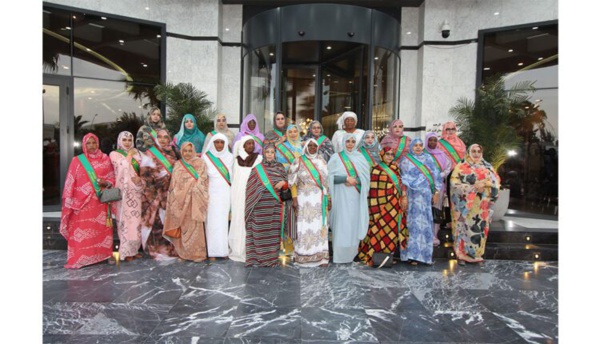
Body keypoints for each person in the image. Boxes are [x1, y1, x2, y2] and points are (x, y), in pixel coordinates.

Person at [60, 133, 116, 269]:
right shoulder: (77, 160)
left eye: (94, 143)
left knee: (102, 229)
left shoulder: (105, 159)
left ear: (98, 144)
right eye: (88, 143)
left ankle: (104, 254)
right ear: (84, 145)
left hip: (100, 201)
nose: (92, 146)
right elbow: (70, 181)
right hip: (82, 203)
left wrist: (106, 182)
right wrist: (69, 199)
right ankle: (81, 258)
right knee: (82, 231)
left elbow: (112, 178)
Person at [449, 144, 500, 266]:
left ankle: (476, 255)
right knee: (463, 228)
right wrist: (472, 188)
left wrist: (485, 186)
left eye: (478, 151)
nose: (476, 154)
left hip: (481, 206)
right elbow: (454, 183)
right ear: (469, 152)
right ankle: (461, 254)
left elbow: (496, 183)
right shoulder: (461, 166)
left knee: (479, 230)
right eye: (474, 151)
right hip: (464, 207)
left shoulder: (488, 167)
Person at [357, 147, 407, 266]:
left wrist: (403, 197)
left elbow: (401, 185)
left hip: (394, 206)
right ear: (382, 155)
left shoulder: (396, 168)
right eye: (387, 154)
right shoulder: (375, 169)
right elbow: (373, 190)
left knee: (391, 231)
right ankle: (375, 256)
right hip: (379, 207)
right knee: (378, 230)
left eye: (391, 154)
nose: (389, 156)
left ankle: (388, 256)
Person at [327, 133, 371, 263]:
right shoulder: (336, 157)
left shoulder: (361, 158)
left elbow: (366, 178)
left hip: (356, 196)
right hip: (340, 196)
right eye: (348, 141)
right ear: (343, 143)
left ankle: (352, 253)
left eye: (353, 141)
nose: (350, 144)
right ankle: (339, 255)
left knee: (353, 222)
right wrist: (344, 178)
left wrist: (355, 181)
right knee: (342, 223)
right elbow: (328, 178)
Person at [244, 143, 290, 267]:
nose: (269, 154)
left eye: (272, 152)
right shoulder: (257, 169)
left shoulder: (280, 168)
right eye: (267, 152)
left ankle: (271, 259)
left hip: (275, 207)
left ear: (275, 154)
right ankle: (259, 259)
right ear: (264, 153)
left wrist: (283, 183)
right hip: (259, 207)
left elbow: (287, 187)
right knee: (260, 233)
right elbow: (249, 188)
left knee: (272, 234)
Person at [163, 142, 209, 262]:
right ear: (181, 152)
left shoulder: (200, 163)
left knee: (196, 227)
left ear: (193, 151)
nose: (187, 154)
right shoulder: (178, 164)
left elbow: (203, 179)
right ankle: (184, 254)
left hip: (195, 200)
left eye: (190, 151)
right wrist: (185, 189)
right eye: (185, 151)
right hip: (181, 202)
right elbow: (174, 183)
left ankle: (197, 254)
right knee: (183, 228)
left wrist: (193, 188)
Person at [399, 138, 442, 265]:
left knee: (425, 224)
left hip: (426, 196)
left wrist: (436, 192)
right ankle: (412, 255)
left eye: (420, 145)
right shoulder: (406, 160)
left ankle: (424, 255)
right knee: (412, 225)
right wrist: (404, 196)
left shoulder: (429, 159)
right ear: (411, 147)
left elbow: (436, 176)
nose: (418, 147)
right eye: (415, 145)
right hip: (412, 197)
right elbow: (403, 179)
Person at [288, 139, 330, 267]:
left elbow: (326, 182)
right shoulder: (298, 161)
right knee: (304, 227)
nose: (312, 148)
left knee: (319, 226)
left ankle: (320, 257)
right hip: (303, 199)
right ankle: (303, 256)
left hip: (319, 200)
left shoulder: (322, 161)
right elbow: (292, 182)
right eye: (309, 146)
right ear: (305, 147)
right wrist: (294, 199)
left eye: (314, 146)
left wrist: (328, 198)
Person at [140, 129, 179, 260]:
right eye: (160, 137)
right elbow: (145, 174)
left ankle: (170, 248)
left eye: (165, 137)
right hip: (154, 195)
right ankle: (157, 250)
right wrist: (160, 180)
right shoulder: (149, 154)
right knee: (157, 223)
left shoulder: (173, 153)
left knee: (168, 222)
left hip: (170, 194)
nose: (163, 140)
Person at [109, 131, 143, 261]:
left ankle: (134, 249)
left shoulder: (138, 153)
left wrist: (141, 179)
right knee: (125, 222)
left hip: (137, 191)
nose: (128, 142)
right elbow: (121, 167)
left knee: (136, 222)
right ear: (119, 141)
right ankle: (126, 251)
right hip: (123, 193)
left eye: (130, 140)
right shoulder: (115, 154)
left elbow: (143, 169)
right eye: (125, 140)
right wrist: (129, 155)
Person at [229, 136, 264, 262]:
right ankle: (238, 249)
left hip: (252, 193)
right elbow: (233, 178)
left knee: (250, 220)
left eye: (252, 143)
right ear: (243, 146)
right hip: (238, 195)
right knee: (238, 219)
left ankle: (250, 250)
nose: (251, 146)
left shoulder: (259, 158)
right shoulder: (236, 160)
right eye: (248, 144)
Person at [202, 133, 233, 259]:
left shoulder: (230, 157)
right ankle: (212, 252)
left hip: (225, 193)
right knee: (212, 223)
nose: (219, 144)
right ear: (212, 143)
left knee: (223, 223)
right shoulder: (206, 157)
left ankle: (223, 251)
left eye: (222, 142)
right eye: (217, 142)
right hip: (211, 193)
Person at [424, 132, 452, 247]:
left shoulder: (443, 155)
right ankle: (425, 235)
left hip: (438, 187)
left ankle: (434, 235)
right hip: (424, 186)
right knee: (425, 211)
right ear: (426, 141)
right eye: (430, 140)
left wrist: (440, 175)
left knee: (436, 210)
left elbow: (448, 168)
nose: (433, 142)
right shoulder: (422, 154)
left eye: (435, 140)